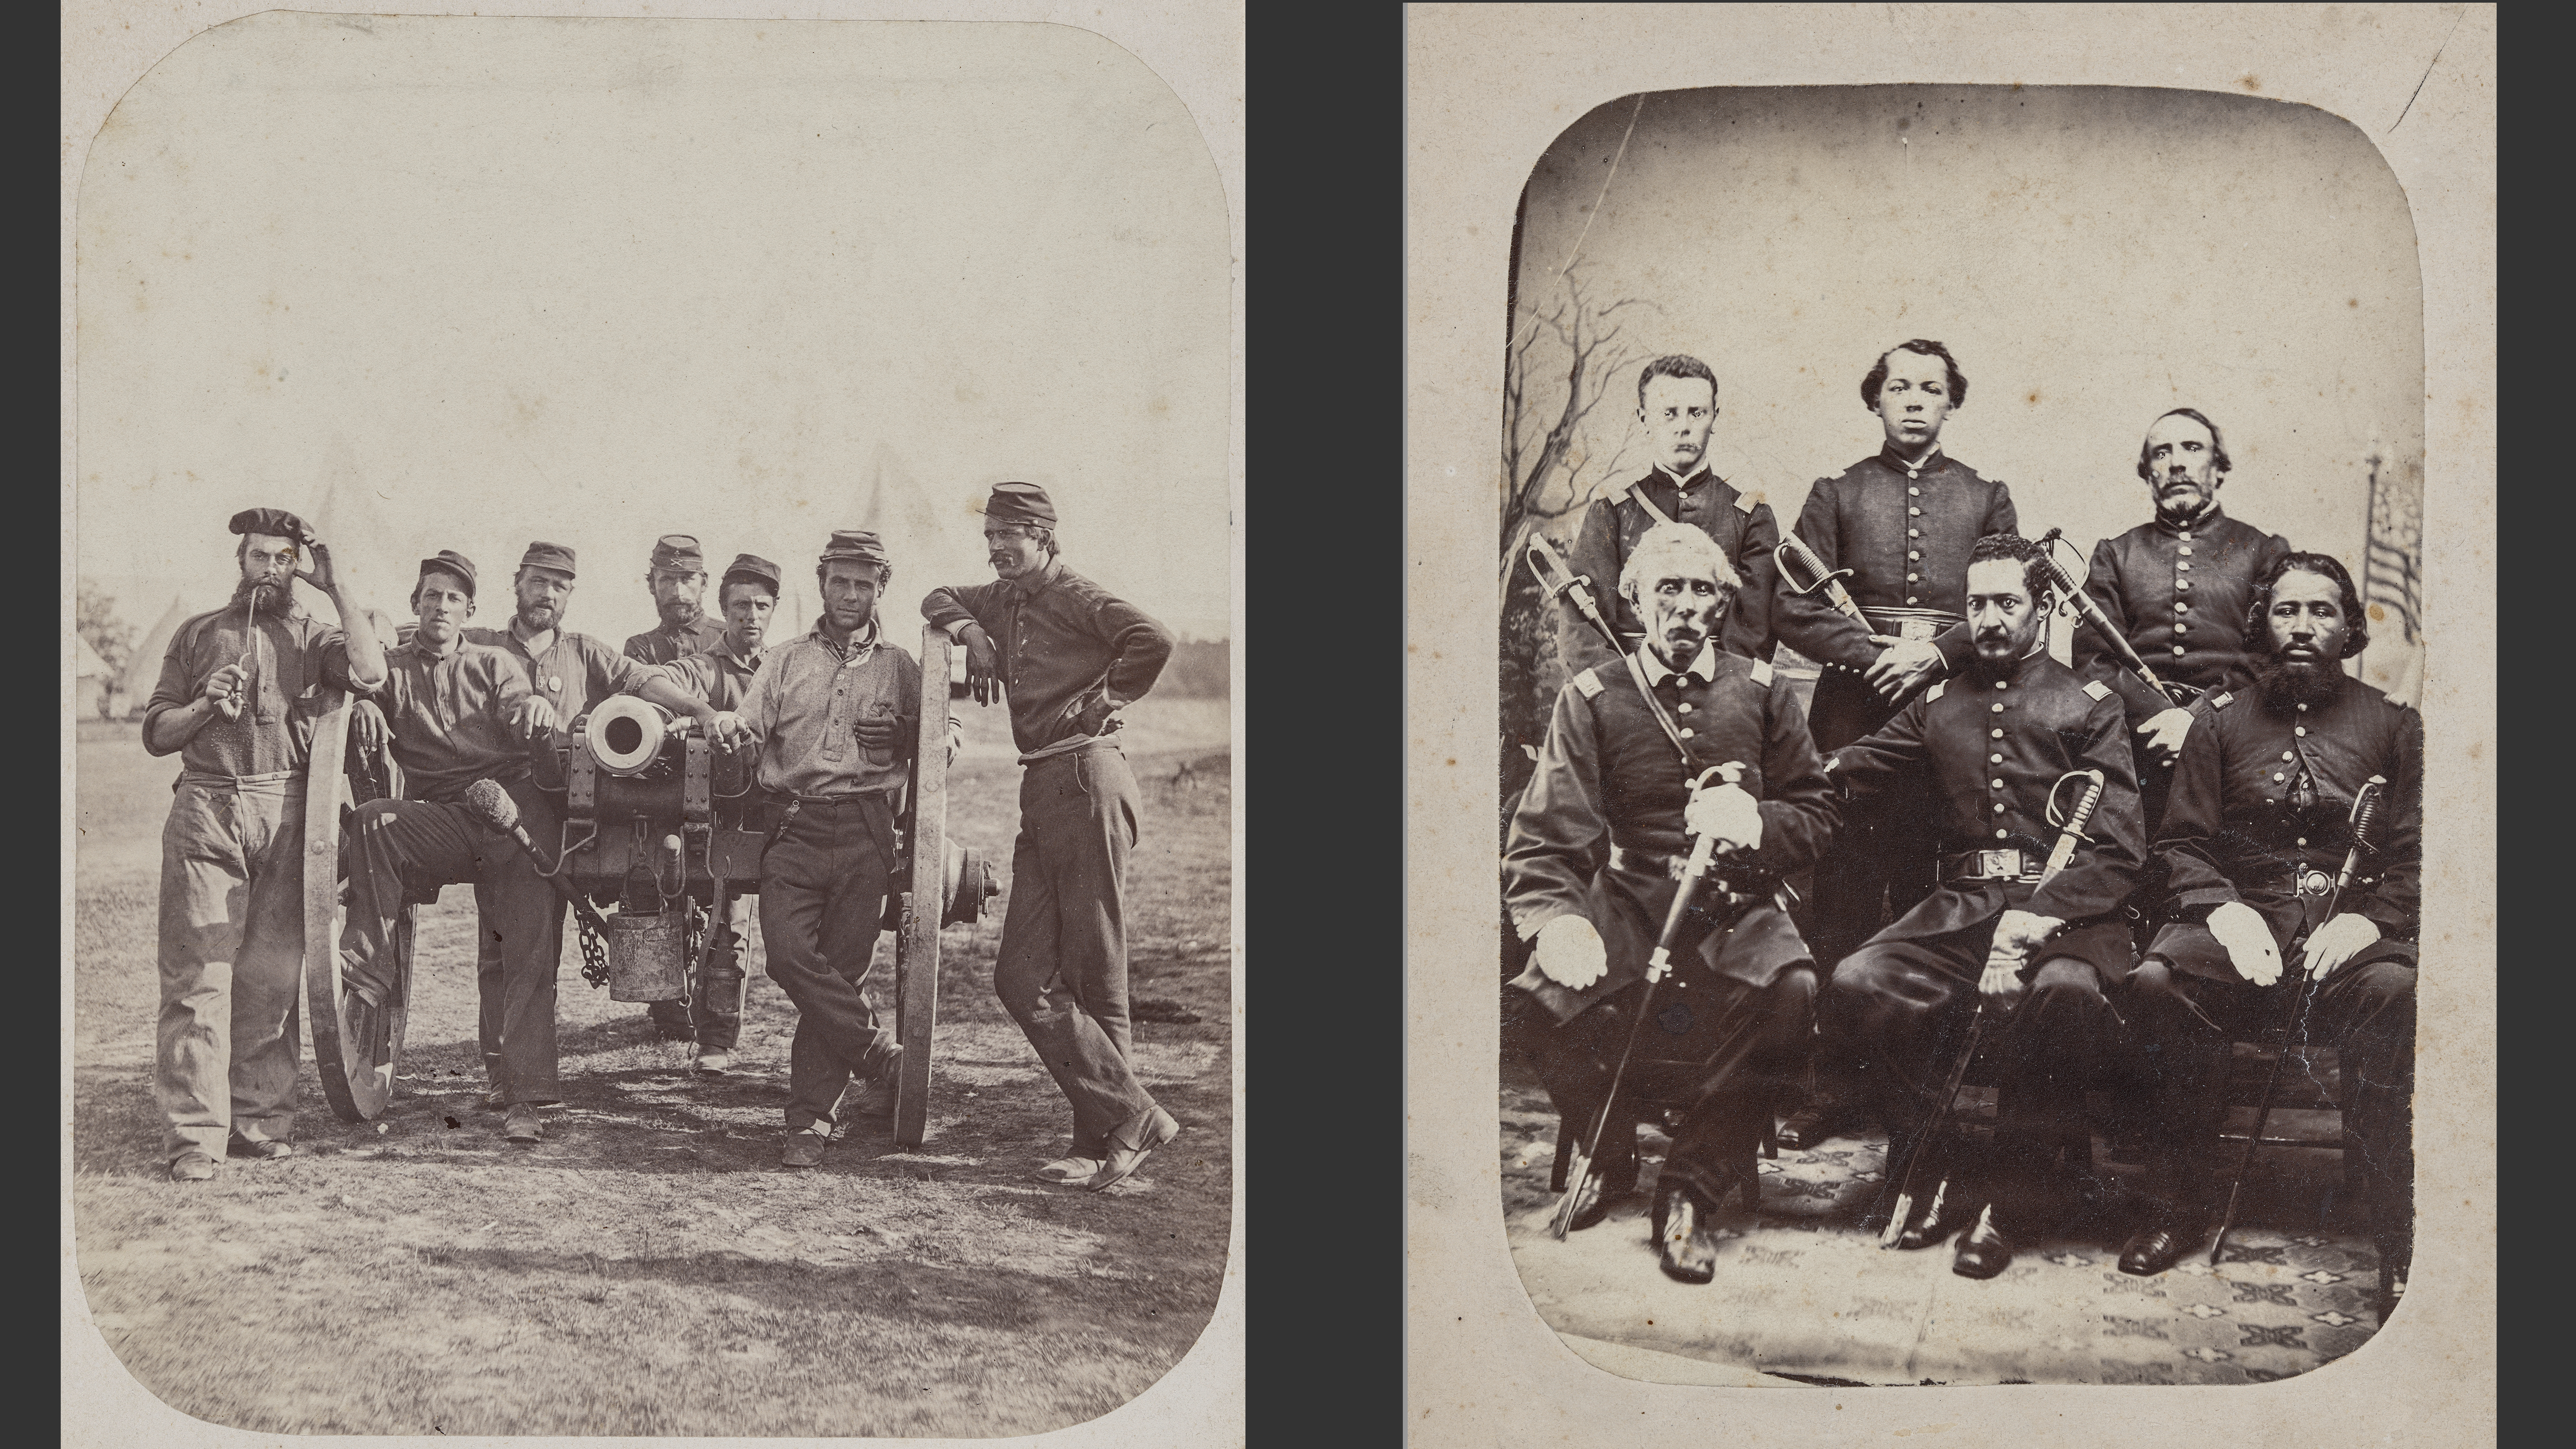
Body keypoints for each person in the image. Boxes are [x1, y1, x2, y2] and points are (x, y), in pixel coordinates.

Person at [1503, 522, 1835, 1282]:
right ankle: (1611, 1149)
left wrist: (1757, 822)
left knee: (1795, 994)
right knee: (1533, 998)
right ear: (1635, 598)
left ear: (1723, 604)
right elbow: (1545, 836)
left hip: (1733, 901)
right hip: (1629, 898)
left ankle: (1689, 1187)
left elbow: (1817, 813)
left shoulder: (1762, 689)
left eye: (1701, 590)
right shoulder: (1592, 696)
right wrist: (1557, 918)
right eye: (1667, 588)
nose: (1684, 606)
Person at [1822, 533, 2144, 1280]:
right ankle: (1940, 1164)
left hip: (2068, 913)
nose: (1991, 618)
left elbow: (2121, 847)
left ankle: (2012, 1196)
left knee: (2063, 993)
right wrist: (1757, 783)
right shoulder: (1938, 703)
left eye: (2009, 602)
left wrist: (2040, 917)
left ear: (2043, 607)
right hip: (1962, 907)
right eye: (1978, 604)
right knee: (1859, 979)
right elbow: (1849, 769)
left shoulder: (2089, 705)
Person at [2117, 552, 2419, 1318]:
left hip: (2346, 928)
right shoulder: (2218, 724)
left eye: (2322, 611)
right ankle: (2173, 1202)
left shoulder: (2393, 725)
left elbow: (2423, 852)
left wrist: (2368, 918)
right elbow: (2180, 842)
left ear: (2350, 626)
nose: (2303, 627)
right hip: (2240, 922)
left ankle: (2397, 1231)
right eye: (2287, 611)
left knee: (2394, 990)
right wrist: (2221, 905)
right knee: (2158, 979)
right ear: (2263, 623)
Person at [336, 551, 689, 1146]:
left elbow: (518, 701)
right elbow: (359, 667)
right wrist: (366, 705)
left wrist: (530, 708)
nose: (440, 606)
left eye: (452, 598)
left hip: (512, 807)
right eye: (431, 596)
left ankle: (528, 1095)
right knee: (372, 822)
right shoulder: (391, 670)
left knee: (522, 947)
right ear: (415, 605)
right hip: (443, 814)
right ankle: (368, 971)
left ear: (469, 610)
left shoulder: (495, 661)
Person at [1773, 339, 2020, 1150]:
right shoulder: (1837, 493)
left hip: (1949, 712)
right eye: (1900, 387)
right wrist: (1877, 654)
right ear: (1875, 400)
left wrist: (1939, 655)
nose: (1915, 400)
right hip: (1856, 709)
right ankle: (1836, 1089)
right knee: (1840, 901)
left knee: (1929, 907)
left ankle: (1921, 1094)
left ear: (1952, 403)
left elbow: (2013, 598)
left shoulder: (1986, 497)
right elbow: (1793, 608)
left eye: (1932, 389)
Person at [921, 482, 1179, 1192]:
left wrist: (1104, 699)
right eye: (992, 537)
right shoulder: (1002, 600)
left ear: (1045, 536)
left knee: (1094, 971)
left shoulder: (1077, 595)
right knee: (1020, 976)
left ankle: (1100, 1145)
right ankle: (1131, 1118)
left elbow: (1151, 639)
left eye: (1014, 535)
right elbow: (937, 595)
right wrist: (973, 633)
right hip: (1043, 786)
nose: (1000, 548)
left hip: (1087, 777)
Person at [141, 509, 385, 1180]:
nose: (271, 570)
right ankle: (195, 1139)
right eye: (259, 557)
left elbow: (371, 673)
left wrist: (336, 588)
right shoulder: (198, 635)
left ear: (296, 567)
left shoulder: (317, 634)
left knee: (272, 980)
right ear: (241, 562)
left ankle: (260, 1122)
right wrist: (202, 708)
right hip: (206, 808)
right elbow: (158, 732)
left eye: (284, 559)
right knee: (198, 979)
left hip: (288, 814)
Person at [708, 532, 930, 1167]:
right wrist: (730, 734)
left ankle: (808, 1123)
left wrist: (909, 732)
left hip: (866, 833)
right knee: (787, 954)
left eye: (864, 584)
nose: (851, 596)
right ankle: (874, 1053)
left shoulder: (902, 668)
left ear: (880, 589)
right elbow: (746, 728)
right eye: (840, 582)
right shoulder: (782, 661)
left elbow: (946, 739)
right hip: (796, 828)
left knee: (841, 968)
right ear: (823, 582)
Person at [463, 541, 709, 1073]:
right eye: (537, 581)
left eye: (559, 584)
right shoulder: (477, 643)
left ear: (570, 593)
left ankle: (522, 1063)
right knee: (501, 943)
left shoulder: (581, 651)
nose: (546, 593)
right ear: (517, 583)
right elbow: (421, 648)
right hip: (496, 804)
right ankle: (501, 1065)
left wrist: (701, 711)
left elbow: (641, 681)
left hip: (566, 811)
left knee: (535, 947)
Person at [2071, 408, 2294, 821]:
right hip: (2138, 742)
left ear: (2219, 469)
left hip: (2237, 738)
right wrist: (2160, 719)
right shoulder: (2116, 555)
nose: (2176, 463)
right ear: (2148, 473)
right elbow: (2094, 662)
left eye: (2192, 448)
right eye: (2161, 453)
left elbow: (2268, 656)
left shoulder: (2264, 551)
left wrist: (2199, 720)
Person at [643, 553, 783, 1075]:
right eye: (740, 605)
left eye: (761, 606)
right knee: (712, 919)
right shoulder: (705, 667)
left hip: (771, 812)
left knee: (738, 927)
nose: (750, 615)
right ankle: (703, 1031)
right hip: (707, 812)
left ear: (772, 613)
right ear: (722, 611)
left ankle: (719, 1039)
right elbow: (653, 678)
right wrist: (701, 713)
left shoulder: (784, 664)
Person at [1560, 355, 1783, 672]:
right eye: (1669, 414)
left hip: (1722, 690)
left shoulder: (1751, 517)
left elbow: (1754, 628)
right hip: (1629, 693)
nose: (1684, 427)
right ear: (1644, 419)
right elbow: (1581, 629)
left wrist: (1724, 693)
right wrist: (1618, 694)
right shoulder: (1612, 514)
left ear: (1714, 417)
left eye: (1697, 413)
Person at [623, 533, 728, 667]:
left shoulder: (730, 638)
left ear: (704, 583)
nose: (678, 593)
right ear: (652, 585)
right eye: (667, 579)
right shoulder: (640, 648)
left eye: (687, 579)